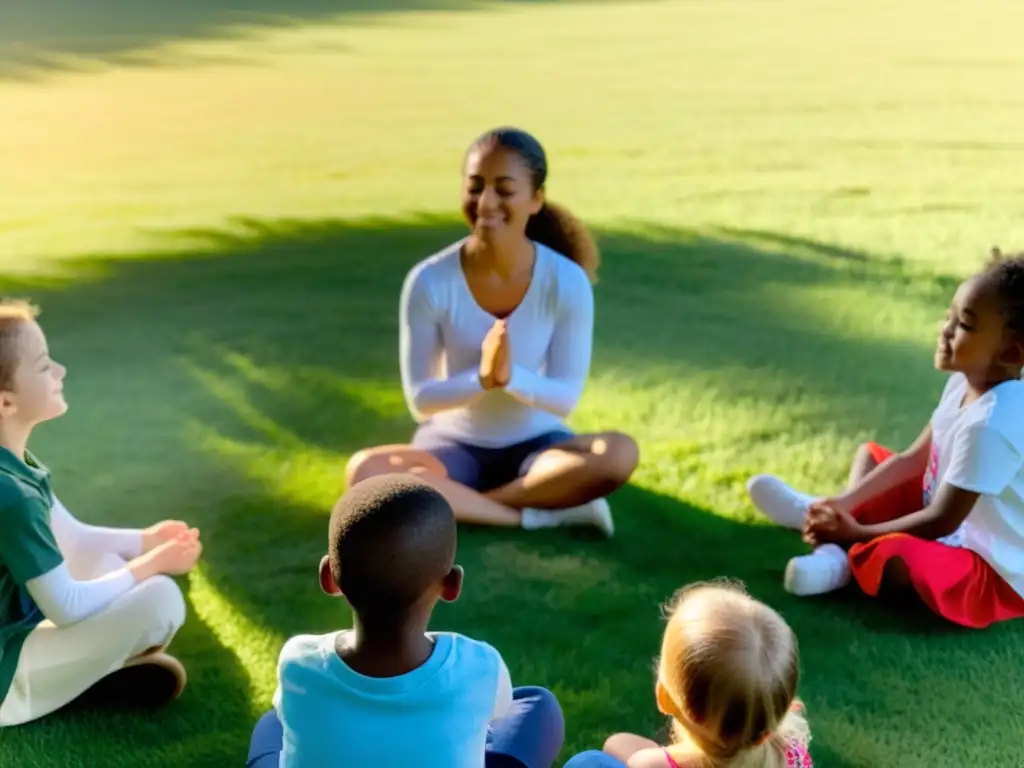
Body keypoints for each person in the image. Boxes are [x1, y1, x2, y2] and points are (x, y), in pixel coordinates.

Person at [345, 127, 639, 536]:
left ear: (535, 199)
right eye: (475, 186)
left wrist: (510, 377)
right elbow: (421, 400)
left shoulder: (565, 281)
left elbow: (565, 398)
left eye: (504, 190)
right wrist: (482, 379)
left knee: (619, 453)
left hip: (537, 448)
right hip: (451, 448)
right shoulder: (430, 281)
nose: (485, 202)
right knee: (365, 473)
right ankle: (532, 514)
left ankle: (465, 503)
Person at [747, 249, 1024, 628]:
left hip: (984, 565)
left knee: (897, 560)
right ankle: (823, 515)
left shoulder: (993, 424)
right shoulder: (964, 381)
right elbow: (914, 460)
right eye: (950, 315)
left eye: (965, 324)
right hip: (940, 519)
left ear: (1010, 352)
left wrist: (858, 531)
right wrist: (843, 502)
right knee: (871, 459)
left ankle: (841, 556)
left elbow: (942, 520)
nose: (946, 329)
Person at [247, 473, 565, 768]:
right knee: (539, 706)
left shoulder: (298, 661)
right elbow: (498, 715)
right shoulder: (479, 665)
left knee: (272, 722)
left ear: (329, 577)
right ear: (452, 585)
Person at [0, 300, 202, 727]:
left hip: (16, 639)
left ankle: (83, 674)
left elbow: (72, 540)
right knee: (160, 598)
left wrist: (144, 540)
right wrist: (152, 564)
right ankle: (68, 686)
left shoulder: (14, 466)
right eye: (42, 366)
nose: (60, 371)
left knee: (105, 563)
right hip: (5, 676)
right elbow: (68, 607)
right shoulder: (10, 495)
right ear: (5, 403)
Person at [563, 581, 812, 768]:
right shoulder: (793, 753)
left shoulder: (655, 765)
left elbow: (618, 745)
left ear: (664, 697)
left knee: (589, 762)